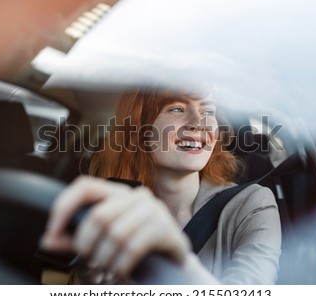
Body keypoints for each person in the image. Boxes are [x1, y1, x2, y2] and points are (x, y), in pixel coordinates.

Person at [41, 87, 281, 284]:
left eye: (208, 111)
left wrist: (177, 263)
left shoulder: (253, 204)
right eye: (177, 108)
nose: (199, 123)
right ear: (139, 130)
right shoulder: (106, 210)